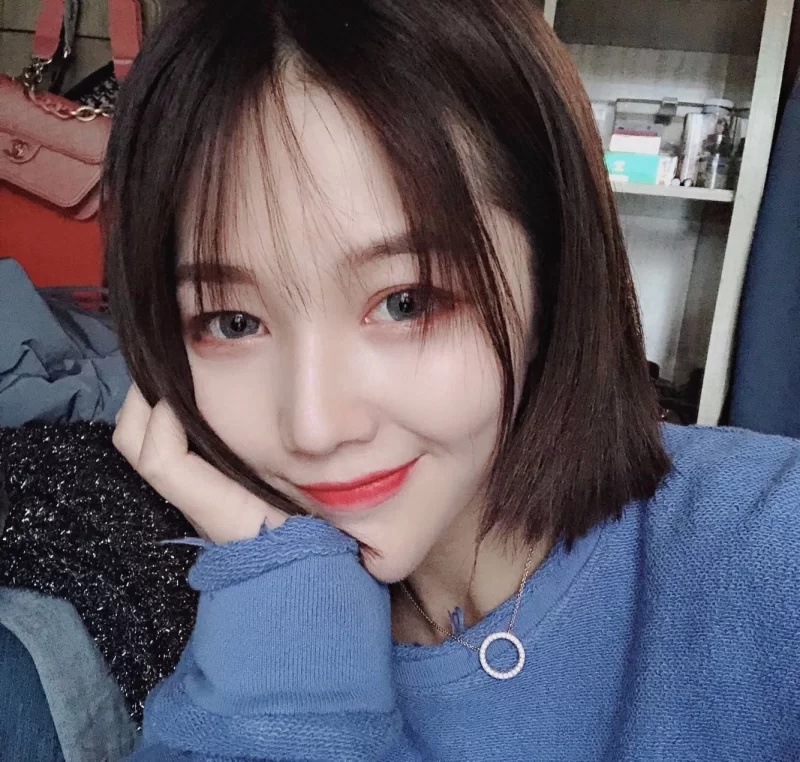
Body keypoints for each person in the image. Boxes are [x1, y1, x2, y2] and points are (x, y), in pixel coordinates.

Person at [105, 0, 800, 759]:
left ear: (553, 274)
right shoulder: (248, 640)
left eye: (405, 302)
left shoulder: (768, 547)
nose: (314, 426)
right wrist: (289, 611)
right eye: (234, 322)